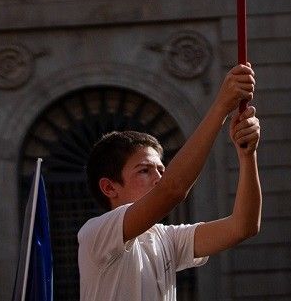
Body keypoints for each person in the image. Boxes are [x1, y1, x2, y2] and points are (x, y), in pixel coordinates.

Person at [78, 63, 262, 300]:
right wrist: (221, 107)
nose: (158, 179)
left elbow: (243, 227)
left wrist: (247, 155)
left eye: (161, 170)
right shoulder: (96, 232)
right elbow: (173, 190)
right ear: (109, 187)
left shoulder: (167, 238)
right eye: (144, 171)